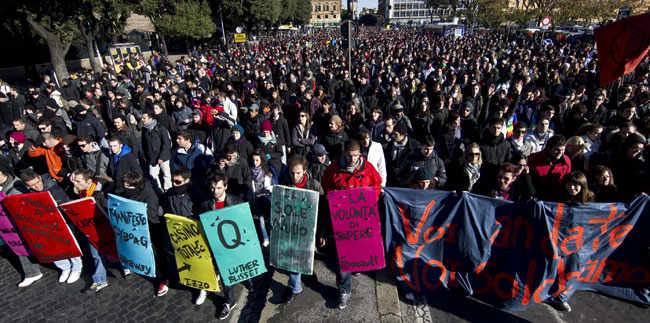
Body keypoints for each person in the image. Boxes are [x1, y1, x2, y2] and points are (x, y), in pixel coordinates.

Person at [322, 139, 382, 309]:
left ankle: (357, 265)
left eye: (355, 156)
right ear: (343, 153)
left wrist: (371, 199)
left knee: (358, 249)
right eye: (349, 156)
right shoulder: (332, 169)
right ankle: (344, 289)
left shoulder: (368, 168)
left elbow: (376, 186)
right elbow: (327, 189)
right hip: (341, 219)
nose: (352, 159)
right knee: (343, 256)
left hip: (361, 219)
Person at [19, 169, 83, 284]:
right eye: (32, 185)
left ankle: (76, 268)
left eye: (38, 182)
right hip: (46, 227)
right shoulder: (29, 195)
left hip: (63, 223)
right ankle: (65, 268)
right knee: (53, 248)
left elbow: (65, 206)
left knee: (69, 246)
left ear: (39, 177)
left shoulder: (55, 189)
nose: (37, 186)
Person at [117, 171, 170, 297]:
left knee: (159, 254)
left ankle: (164, 278)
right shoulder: (125, 193)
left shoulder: (150, 195)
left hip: (153, 227)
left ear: (136, 186)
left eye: (128, 187)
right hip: (136, 229)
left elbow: (151, 213)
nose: (125, 190)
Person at [281, 155, 324, 304]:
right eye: (292, 173)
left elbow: (323, 208)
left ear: (304, 171)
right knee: (294, 259)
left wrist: (322, 232)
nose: (294, 176)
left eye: (298, 173)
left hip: (311, 229)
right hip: (292, 229)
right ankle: (295, 288)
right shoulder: (284, 185)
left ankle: (307, 272)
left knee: (307, 254)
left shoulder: (314, 185)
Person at [200, 174, 243, 319]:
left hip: (231, 245)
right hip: (214, 244)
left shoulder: (236, 202)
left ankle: (230, 301)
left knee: (227, 276)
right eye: (213, 188)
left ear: (225, 186)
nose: (215, 191)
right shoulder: (206, 203)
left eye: (218, 188)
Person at [70, 169, 110, 292]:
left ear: (89, 182)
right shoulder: (84, 191)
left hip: (105, 229)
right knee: (96, 255)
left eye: (78, 181)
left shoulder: (101, 193)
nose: (75, 184)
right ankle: (100, 280)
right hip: (92, 229)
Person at [528, 135, 572, 201]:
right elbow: (528, 178)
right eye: (557, 150)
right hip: (536, 195)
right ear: (548, 148)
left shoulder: (566, 161)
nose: (560, 153)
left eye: (563, 150)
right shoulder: (534, 158)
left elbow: (567, 179)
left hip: (557, 196)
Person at [141, 110, 172, 193]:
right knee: (153, 175)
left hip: (163, 156)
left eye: (144, 118)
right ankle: (159, 191)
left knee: (166, 175)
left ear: (150, 119)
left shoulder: (161, 129)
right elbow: (144, 144)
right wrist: (145, 156)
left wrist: (162, 157)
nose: (142, 120)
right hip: (151, 157)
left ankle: (168, 190)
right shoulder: (145, 130)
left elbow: (166, 143)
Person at [249, 150, 274, 247]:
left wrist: (269, 189)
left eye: (257, 160)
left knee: (269, 218)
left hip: (267, 197)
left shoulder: (267, 170)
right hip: (257, 198)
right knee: (261, 219)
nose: (255, 163)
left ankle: (271, 236)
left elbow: (273, 184)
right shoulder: (250, 171)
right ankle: (265, 238)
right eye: (253, 160)